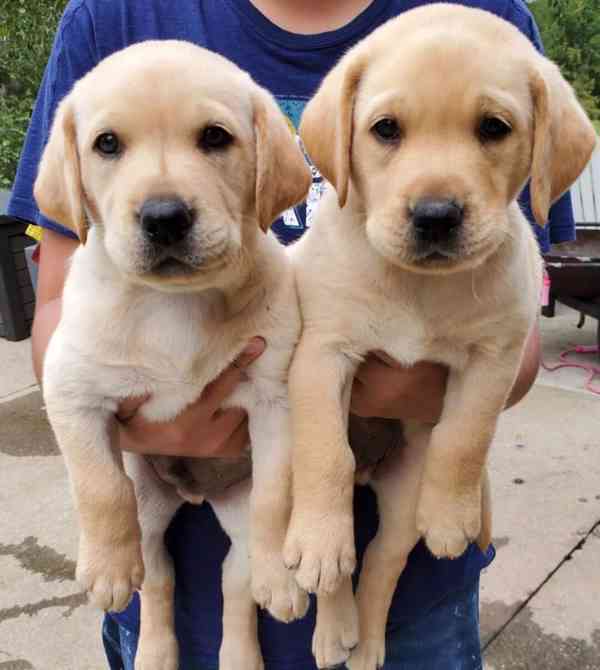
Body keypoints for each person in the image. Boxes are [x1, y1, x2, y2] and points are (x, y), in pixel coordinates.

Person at [8, 1, 575, 668]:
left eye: (213, 138)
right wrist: (123, 481)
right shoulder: (112, 16)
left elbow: (512, 342)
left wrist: (456, 460)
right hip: (173, 575)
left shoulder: (492, 19)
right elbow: (57, 323)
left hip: (415, 586)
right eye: (387, 129)